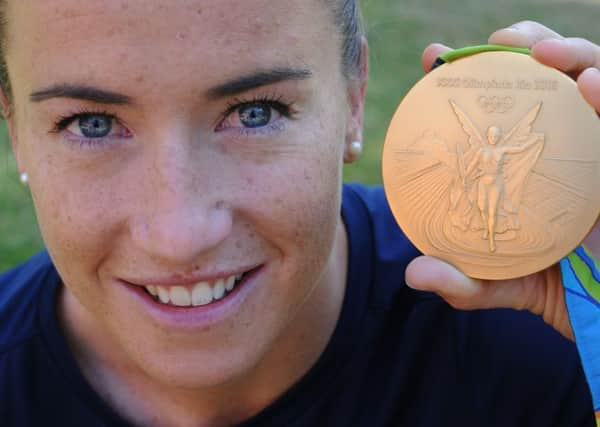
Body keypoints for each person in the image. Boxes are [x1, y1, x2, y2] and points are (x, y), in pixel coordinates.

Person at [0, 1, 598, 426]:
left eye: (255, 112)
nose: (180, 236)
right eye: (92, 124)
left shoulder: (553, 340)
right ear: (17, 132)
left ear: (353, 100)